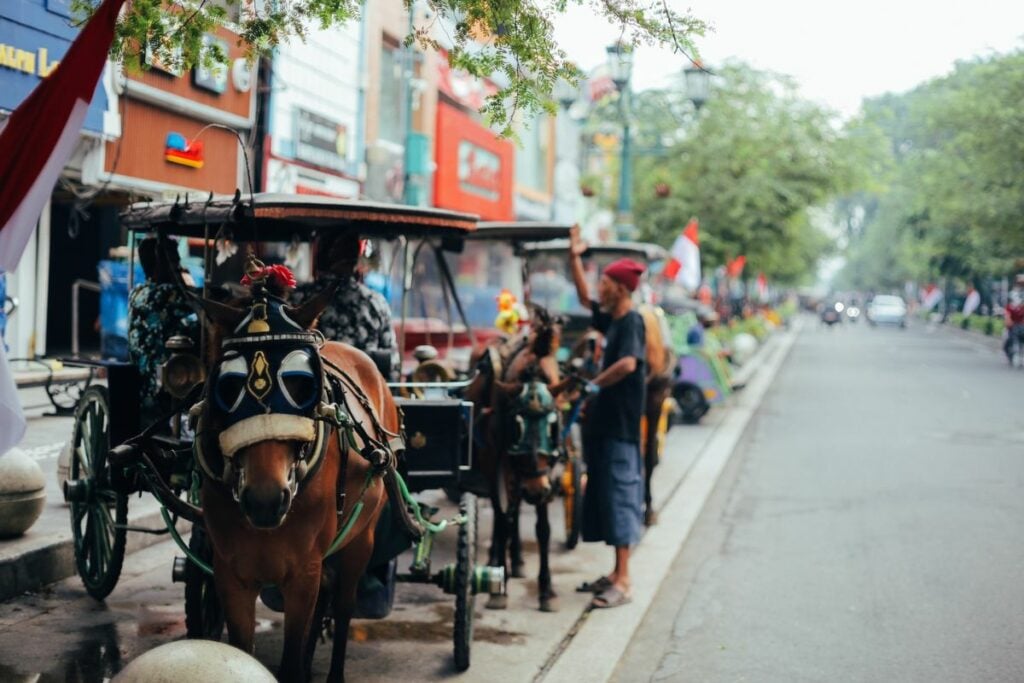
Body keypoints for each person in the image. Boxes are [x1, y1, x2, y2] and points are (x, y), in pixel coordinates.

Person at [568, 225, 646, 609]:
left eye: (605, 283)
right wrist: (574, 257)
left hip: (620, 428)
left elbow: (629, 363)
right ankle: (614, 573)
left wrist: (593, 385)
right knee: (603, 496)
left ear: (621, 287)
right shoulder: (612, 320)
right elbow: (583, 296)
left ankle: (625, 581)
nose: (599, 288)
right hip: (602, 427)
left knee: (620, 497)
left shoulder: (631, 321)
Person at [291, 233, 397, 377]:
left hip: (313, 390)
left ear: (322, 256)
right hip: (366, 390)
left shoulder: (299, 298)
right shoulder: (376, 302)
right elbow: (392, 362)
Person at [127, 237, 199, 419]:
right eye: (174, 261)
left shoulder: (137, 292)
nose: (177, 265)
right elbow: (203, 308)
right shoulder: (168, 293)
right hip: (166, 383)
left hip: (139, 384)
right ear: (162, 262)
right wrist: (186, 280)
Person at [1004, 275, 1024, 363]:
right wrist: (1008, 319)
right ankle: (1011, 354)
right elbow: (1007, 310)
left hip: (1022, 324)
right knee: (1009, 341)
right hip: (1012, 324)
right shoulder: (1012, 294)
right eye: (1019, 283)